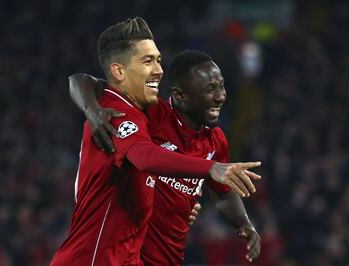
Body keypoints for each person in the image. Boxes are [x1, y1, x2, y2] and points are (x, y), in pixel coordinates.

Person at [51, 17, 261, 266]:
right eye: (148, 60)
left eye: (159, 60)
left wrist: (240, 222)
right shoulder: (122, 112)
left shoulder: (213, 140)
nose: (159, 70)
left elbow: (221, 194)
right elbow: (144, 155)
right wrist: (91, 108)